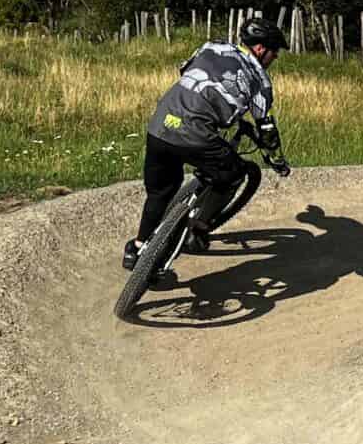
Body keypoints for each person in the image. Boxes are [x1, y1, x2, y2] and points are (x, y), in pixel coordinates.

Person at [125, 16, 291, 281]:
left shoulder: (212, 46)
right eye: (274, 53)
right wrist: (278, 162)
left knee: (160, 192)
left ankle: (137, 247)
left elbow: (187, 73)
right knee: (232, 174)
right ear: (261, 49)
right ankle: (197, 230)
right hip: (196, 135)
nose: (274, 59)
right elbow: (266, 130)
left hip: (161, 123)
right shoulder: (261, 82)